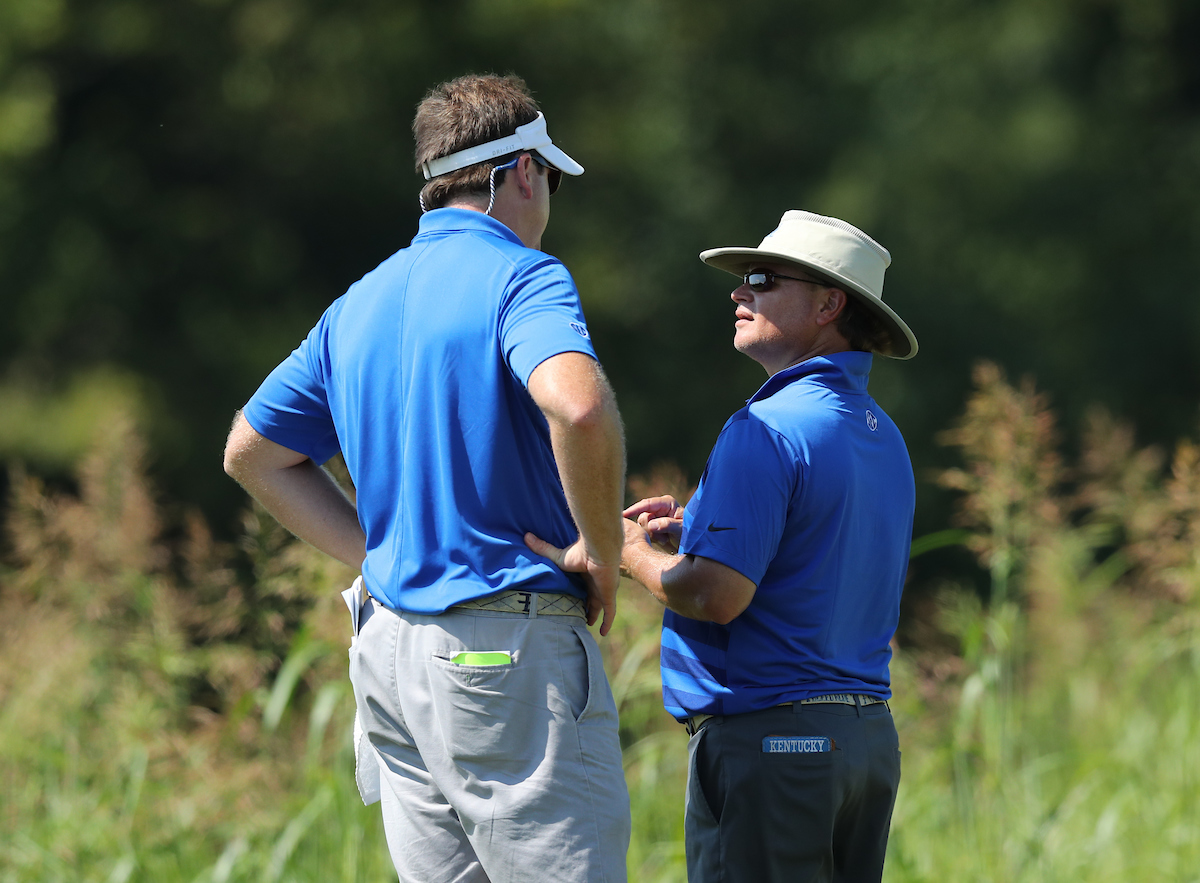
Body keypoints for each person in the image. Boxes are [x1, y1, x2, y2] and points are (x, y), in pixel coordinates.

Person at [223, 73, 631, 883]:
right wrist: (600, 548)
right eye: (549, 178)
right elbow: (578, 409)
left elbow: (251, 452)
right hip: (503, 656)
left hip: (389, 656)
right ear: (522, 170)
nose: (547, 199)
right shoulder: (524, 275)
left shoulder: (357, 303)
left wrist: (377, 553)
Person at [529, 209, 918, 883]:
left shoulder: (763, 427)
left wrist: (625, 549)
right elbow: (814, 548)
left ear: (829, 304)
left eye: (763, 279)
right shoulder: (883, 434)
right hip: (865, 744)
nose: (740, 292)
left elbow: (714, 594)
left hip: (776, 744)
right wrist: (701, 525)